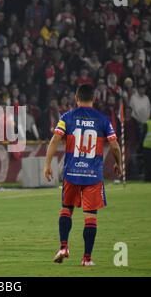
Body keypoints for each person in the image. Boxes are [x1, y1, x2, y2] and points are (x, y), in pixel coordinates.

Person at [44, 85, 122, 266]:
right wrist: (118, 163)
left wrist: (47, 164)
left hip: (71, 173)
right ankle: (86, 259)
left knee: (66, 210)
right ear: (93, 99)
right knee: (90, 217)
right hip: (93, 175)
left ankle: (63, 247)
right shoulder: (103, 120)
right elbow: (115, 145)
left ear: (76, 98)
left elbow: (55, 139)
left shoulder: (67, 117)